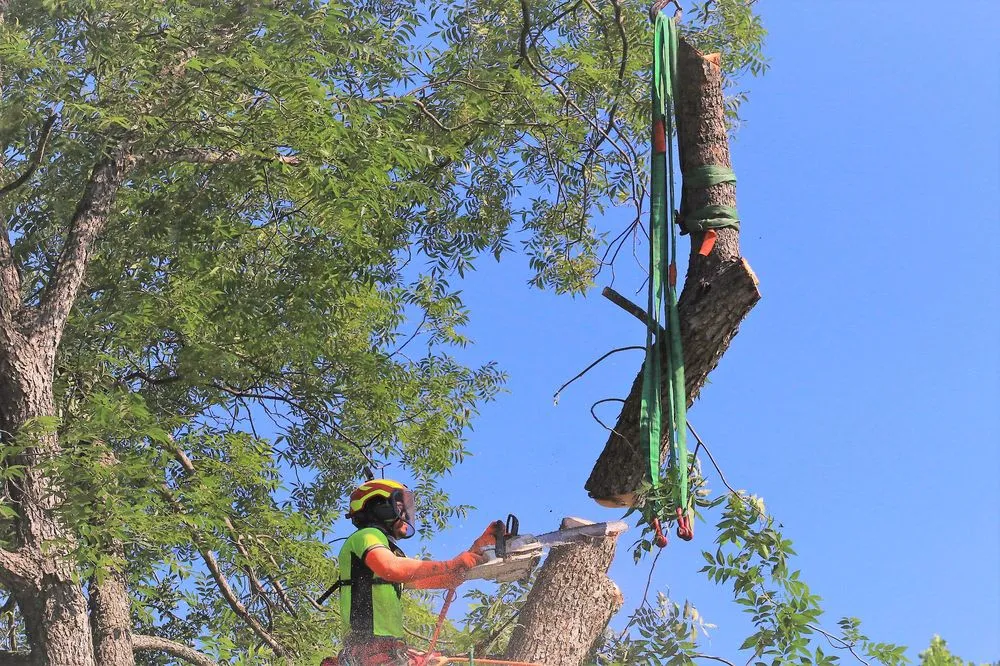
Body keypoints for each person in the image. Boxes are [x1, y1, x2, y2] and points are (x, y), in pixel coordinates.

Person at [327, 479, 500, 666]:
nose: (407, 515)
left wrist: (476, 551)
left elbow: (445, 579)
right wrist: (451, 564)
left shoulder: (390, 555)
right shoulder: (366, 536)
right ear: (380, 507)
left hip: (388, 648)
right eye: (401, 507)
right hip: (370, 649)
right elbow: (391, 568)